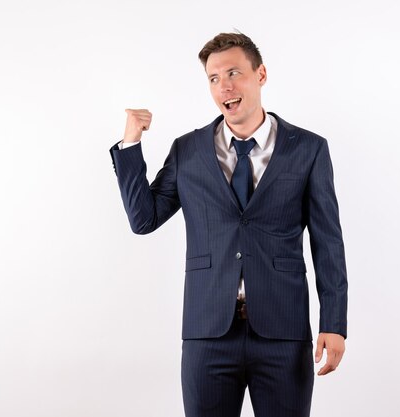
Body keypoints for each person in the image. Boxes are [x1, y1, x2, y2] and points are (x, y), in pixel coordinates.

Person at [109, 32, 348, 417]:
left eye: (233, 72)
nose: (224, 86)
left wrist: (334, 323)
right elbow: (144, 219)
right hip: (208, 333)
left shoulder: (308, 148)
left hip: (283, 333)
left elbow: (328, 243)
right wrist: (131, 144)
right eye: (213, 78)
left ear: (261, 74)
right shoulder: (188, 150)